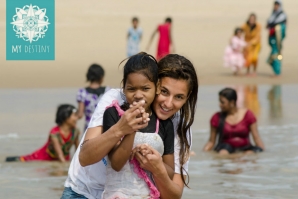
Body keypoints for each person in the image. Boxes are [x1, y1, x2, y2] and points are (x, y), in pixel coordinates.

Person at [61, 54, 198, 199]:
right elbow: (85, 157)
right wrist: (121, 128)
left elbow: (174, 195)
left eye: (179, 97)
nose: (168, 104)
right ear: (157, 85)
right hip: (84, 191)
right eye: (164, 92)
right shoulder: (115, 101)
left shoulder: (177, 127)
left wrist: (158, 169)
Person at [101, 53, 174, 198]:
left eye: (145, 89)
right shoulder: (113, 114)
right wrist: (131, 129)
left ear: (157, 87)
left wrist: (154, 161)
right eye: (131, 89)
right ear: (124, 87)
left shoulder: (164, 123)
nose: (138, 95)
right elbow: (116, 164)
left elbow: (170, 172)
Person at [6, 104, 80, 162]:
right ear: (65, 117)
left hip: (63, 159)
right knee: (23, 160)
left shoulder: (75, 131)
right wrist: (67, 168)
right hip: (43, 157)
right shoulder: (55, 133)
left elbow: (78, 151)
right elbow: (60, 155)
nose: (77, 118)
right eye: (74, 115)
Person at [203, 88, 264, 155]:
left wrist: (262, 151)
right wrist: (203, 154)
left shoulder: (248, 115)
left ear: (232, 102)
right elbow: (211, 142)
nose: (219, 104)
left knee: (249, 153)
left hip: (245, 148)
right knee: (223, 153)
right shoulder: (217, 117)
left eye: (222, 102)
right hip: (224, 148)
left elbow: (257, 138)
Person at [76, 64, 109, 130]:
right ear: (101, 77)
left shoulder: (82, 92)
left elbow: (80, 114)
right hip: (104, 127)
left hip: (89, 127)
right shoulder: (107, 91)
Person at [266, 0, 287, 77]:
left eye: (277, 5)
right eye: (275, 5)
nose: (275, 6)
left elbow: (276, 24)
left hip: (278, 39)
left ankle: (277, 72)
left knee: (277, 54)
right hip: (273, 38)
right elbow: (269, 23)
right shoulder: (273, 14)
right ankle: (276, 71)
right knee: (275, 53)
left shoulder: (282, 15)